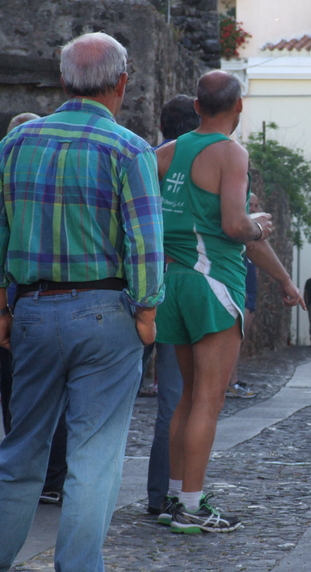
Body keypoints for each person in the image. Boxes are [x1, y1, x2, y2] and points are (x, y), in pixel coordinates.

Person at [0, 32, 164, 572]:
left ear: (62, 81)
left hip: (33, 311)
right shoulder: (130, 149)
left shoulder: (15, 145)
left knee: (21, 450)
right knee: (94, 458)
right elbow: (144, 243)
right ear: (122, 81)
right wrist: (146, 314)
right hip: (107, 312)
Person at [155, 70, 304, 533]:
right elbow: (237, 227)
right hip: (213, 282)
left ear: (197, 106)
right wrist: (259, 224)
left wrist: (281, 277)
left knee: (184, 398)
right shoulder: (231, 154)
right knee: (208, 400)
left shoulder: (164, 153)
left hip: (172, 282)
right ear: (239, 107)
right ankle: (194, 508)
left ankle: (176, 497)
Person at [0, 112, 68, 506]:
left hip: (19, 299)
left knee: (18, 392)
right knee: (58, 395)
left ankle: (26, 476)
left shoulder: (8, 171)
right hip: (46, 297)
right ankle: (51, 477)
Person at [145, 95, 199, 518]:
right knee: (175, 401)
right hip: (172, 291)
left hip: (124, 289)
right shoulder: (200, 164)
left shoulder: (143, 160)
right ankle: (165, 495)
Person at [226, 192, 261, 399]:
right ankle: (230, 383)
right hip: (242, 292)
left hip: (250, 292)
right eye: (252, 205)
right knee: (234, 338)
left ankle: (233, 380)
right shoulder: (239, 229)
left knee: (240, 338)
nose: (256, 209)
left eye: (257, 205)